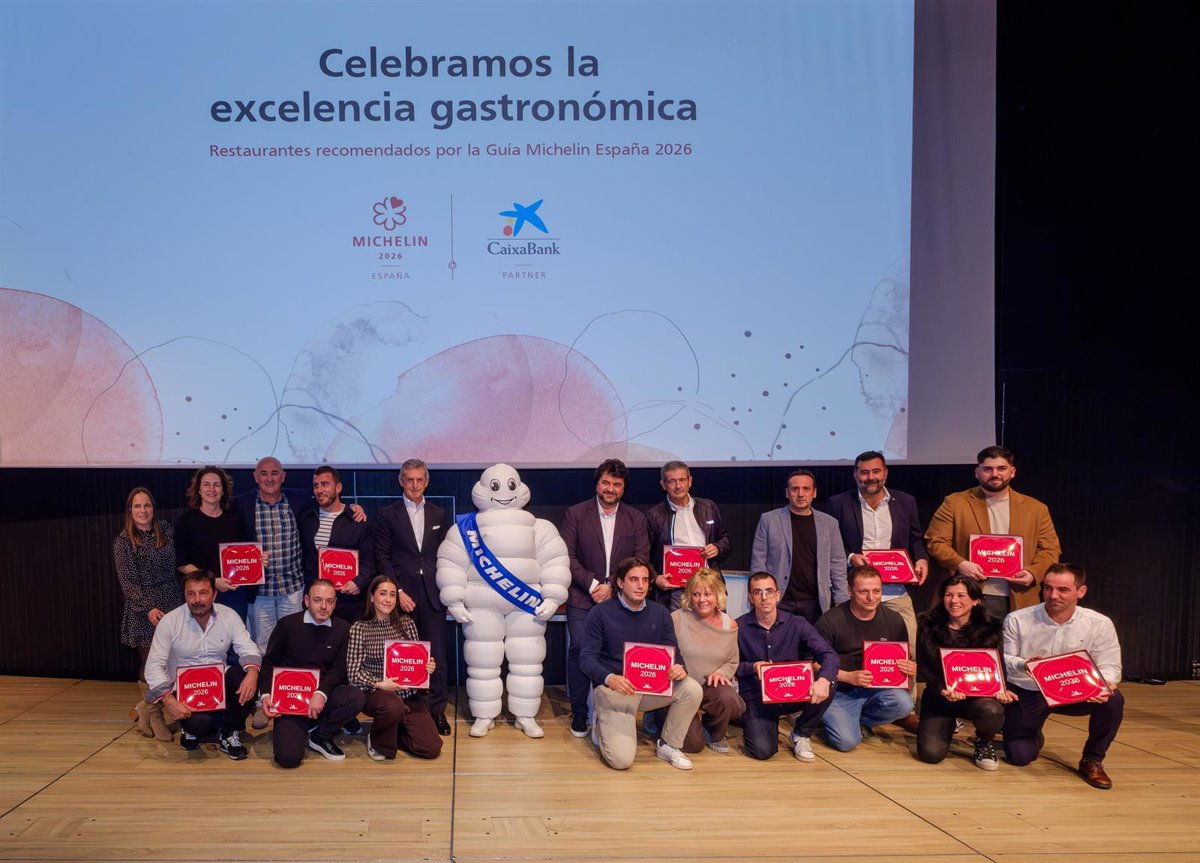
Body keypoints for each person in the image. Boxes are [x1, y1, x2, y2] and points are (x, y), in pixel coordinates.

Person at [435, 464, 571, 738]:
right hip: (481, 603)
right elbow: (451, 562)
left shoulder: (540, 527)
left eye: (510, 485)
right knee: (482, 661)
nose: (504, 492)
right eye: (496, 486)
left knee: (528, 662)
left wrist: (554, 595)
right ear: (483, 490)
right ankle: (484, 715)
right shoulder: (465, 529)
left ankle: (525, 715)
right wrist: (454, 599)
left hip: (527, 604)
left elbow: (555, 560)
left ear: (519, 488)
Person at [1002, 563, 1124, 789]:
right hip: (1030, 691)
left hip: (1075, 692)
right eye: (1048, 588)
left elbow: (1110, 666)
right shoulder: (1017, 619)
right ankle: (1033, 733)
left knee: (1113, 700)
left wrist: (1102, 685)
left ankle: (1092, 759)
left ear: (1081, 591)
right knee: (1019, 756)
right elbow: (1007, 659)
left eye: (1063, 590)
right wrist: (1024, 664)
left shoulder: (1099, 623)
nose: (1053, 595)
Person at [579, 556, 702, 770]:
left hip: (649, 688)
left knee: (691, 689)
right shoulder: (600, 613)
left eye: (645, 580)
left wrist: (679, 667)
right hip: (615, 690)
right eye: (634, 579)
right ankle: (600, 723)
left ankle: (668, 745)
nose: (640, 586)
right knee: (622, 761)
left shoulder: (660, 613)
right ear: (620, 583)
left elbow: (674, 652)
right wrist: (610, 678)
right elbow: (586, 659)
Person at [560, 459, 650, 737]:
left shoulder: (636, 518)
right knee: (579, 649)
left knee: (616, 652)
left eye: (617, 484)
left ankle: (611, 710)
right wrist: (593, 584)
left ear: (624, 488)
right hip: (582, 597)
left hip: (620, 598)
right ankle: (579, 712)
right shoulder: (576, 513)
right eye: (606, 483)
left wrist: (612, 586)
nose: (610, 489)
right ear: (597, 483)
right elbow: (566, 556)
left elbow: (641, 558)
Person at [925, 445, 1062, 619]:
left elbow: (1050, 549)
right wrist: (960, 564)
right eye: (988, 469)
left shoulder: (1036, 509)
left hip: (1019, 596)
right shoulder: (954, 503)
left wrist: (1033, 573)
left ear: (1012, 472)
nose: (995, 474)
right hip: (969, 594)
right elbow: (935, 541)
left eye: (1001, 468)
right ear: (977, 472)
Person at [144, 570, 261, 759]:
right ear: (185, 595)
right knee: (200, 724)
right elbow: (153, 665)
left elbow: (248, 648)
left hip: (219, 682)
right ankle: (191, 730)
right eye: (191, 594)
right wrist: (170, 702)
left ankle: (230, 733)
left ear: (214, 594)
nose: (197, 599)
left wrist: (253, 673)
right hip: (185, 689)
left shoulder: (229, 615)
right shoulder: (170, 621)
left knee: (246, 677)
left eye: (203, 593)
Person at [374, 458, 451, 736]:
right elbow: (381, 556)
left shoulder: (439, 514)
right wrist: (398, 592)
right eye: (409, 479)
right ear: (401, 481)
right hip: (401, 596)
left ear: (426, 482)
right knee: (403, 655)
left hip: (433, 594)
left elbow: (447, 555)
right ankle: (407, 710)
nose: (415, 485)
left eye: (419, 479)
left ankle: (437, 711)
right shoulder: (386, 514)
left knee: (436, 655)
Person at [824, 451, 929, 651]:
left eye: (876, 471)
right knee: (852, 651)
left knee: (910, 651)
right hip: (855, 595)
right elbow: (829, 543)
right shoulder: (838, 503)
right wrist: (850, 557)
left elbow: (915, 538)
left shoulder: (906, 501)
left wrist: (922, 559)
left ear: (885, 473)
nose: (870, 477)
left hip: (895, 593)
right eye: (864, 472)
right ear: (855, 474)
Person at [258, 579, 366, 768]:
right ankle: (306, 725)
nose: (324, 606)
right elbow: (269, 662)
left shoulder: (343, 628)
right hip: (290, 700)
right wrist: (266, 694)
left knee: (355, 697)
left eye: (329, 601)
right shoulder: (287, 625)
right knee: (288, 759)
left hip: (321, 697)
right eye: (317, 600)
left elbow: (339, 670)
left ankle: (321, 735)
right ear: (307, 600)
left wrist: (321, 693)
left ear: (335, 603)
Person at [915, 574, 1016, 770]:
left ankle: (984, 741)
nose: (954, 601)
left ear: (976, 600)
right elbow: (924, 667)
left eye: (961, 595)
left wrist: (1000, 689)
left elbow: (997, 666)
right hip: (940, 697)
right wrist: (942, 688)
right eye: (949, 595)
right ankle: (947, 724)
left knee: (992, 710)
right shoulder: (928, 624)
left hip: (976, 699)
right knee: (930, 754)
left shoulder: (990, 627)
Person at [736, 572, 839, 762]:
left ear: (778, 595)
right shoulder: (738, 627)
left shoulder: (797, 623)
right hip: (757, 695)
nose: (764, 597)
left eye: (769, 591)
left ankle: (801, 733)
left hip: (793, 689)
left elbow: (829, 655)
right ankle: (764, 727)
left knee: (829, 682)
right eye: (758, 592)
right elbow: (730, 666)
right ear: (750, 598)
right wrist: (752, 667)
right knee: (762, 750)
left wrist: (824, 680)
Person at [816, 565, 915, 751]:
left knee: (904, 703)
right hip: (838, 692)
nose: (871, 597)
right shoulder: (830, 621)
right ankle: (829, 719)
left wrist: (908, 668)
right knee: (846, 743)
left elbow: (902, 656)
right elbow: (813, 664)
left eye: (876, 591)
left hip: (875, 690)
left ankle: (859, 721)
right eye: (863, 592)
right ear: (850, 591)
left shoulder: (894, 620)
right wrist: (847, 677)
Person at [645, 568, 745, 752]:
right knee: (692, 745)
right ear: (690, 596)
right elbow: (660, 653)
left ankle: (713, 733)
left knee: (730, 699)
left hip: (708, 686)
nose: (701, 599)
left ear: (718, 595)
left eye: (708, 594)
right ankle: (657, 714)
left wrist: (722, 672)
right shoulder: (677, 618)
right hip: (680, 688)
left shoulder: (729, 624)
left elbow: (732, 661)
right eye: (696, 594)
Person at [346, 576, 443, 762]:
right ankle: (378, 741)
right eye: (383, 594)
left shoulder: (407, 623)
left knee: (431, 748)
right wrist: (380, 684)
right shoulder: (360, 628)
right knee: (392, 706)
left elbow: (417, 661)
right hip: (376, 693)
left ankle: (392, 729)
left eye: (392, 595)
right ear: (372, 597)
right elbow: (353, 674)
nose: (388, 599)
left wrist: (427, 666)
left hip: (408, 695)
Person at [113, 487, 183, 742]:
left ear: (154, 508)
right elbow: (128, 583)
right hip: (143, 609)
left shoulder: (166, 530)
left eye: (147, 505)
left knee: (172, 661)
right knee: (150, 664)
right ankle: (155, 716)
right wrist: (148, 608)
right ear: (130, 511)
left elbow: (179, 563)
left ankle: (145, 708)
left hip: (173, 603)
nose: (142, 510)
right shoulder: (123, 541)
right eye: (137, 506)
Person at [750, 469, 848, 624]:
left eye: (806, 489)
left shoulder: (829, 524)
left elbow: (837, 565)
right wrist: (759, 597)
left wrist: (842, 602)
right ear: (787, 493)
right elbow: (758, 562)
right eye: (795, 489)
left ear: (814, 493)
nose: (800, 494)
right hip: (780, 600)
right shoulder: (769, 520)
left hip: (816, 603)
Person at [645, 461, 731, 609]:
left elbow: (725, 539)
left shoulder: (708, 507)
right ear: (663, 485)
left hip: (708, 586)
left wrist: (717, 548)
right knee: (678, 624)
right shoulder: (654, 515)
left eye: (682, 480)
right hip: (674, 592)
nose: (678, 486)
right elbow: (645, 556)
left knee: (711, 625)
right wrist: (655, 578)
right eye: (672, 481)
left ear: (690, 481)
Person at [174, 465, 253, 622]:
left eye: (216, 485)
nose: (211, 489)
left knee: (234, 635)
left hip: (233, 593)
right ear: (199, 490)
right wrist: (212, 581)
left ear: (223, 491)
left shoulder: (235, 519)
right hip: (200, 593)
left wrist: (256, 560)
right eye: (206, 484)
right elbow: (182, 564)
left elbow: (245, 552)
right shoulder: (185, 521)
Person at [298, 465, 375, 624]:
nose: (319, 490)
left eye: (325, 484)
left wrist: (358, 583)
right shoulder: (305, 518)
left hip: (348, 603)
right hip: (315, 604)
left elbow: (369, 562)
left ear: (338, 488)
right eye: (316, 485)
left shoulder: (357, 520)